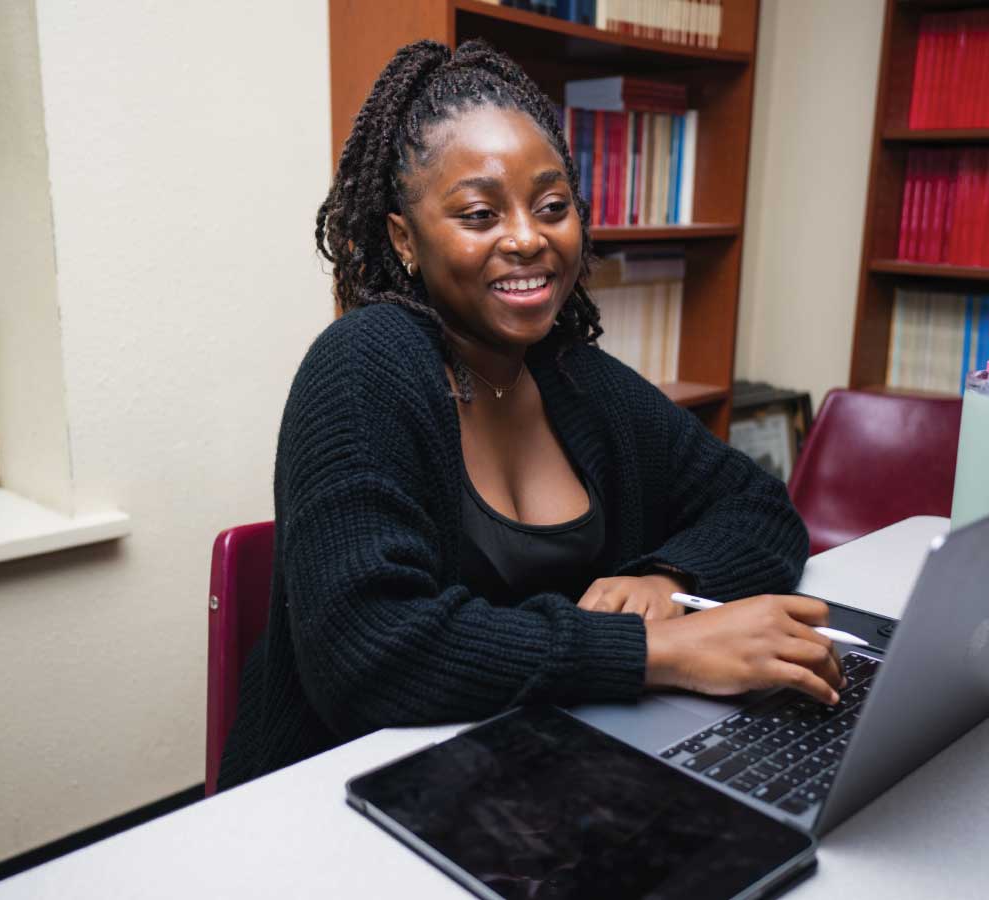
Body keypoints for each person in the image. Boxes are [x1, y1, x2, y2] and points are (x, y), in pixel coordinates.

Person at [217, 39, 843, 789]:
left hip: (531, 775)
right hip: (345, 800)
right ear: (403, 239)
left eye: (552, 206)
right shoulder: (363, 366)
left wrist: (667, 578)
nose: (527, 238)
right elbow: (370, 654)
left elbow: (759, 506)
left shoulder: (572, 374)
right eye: (480, 213)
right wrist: (659, 652)